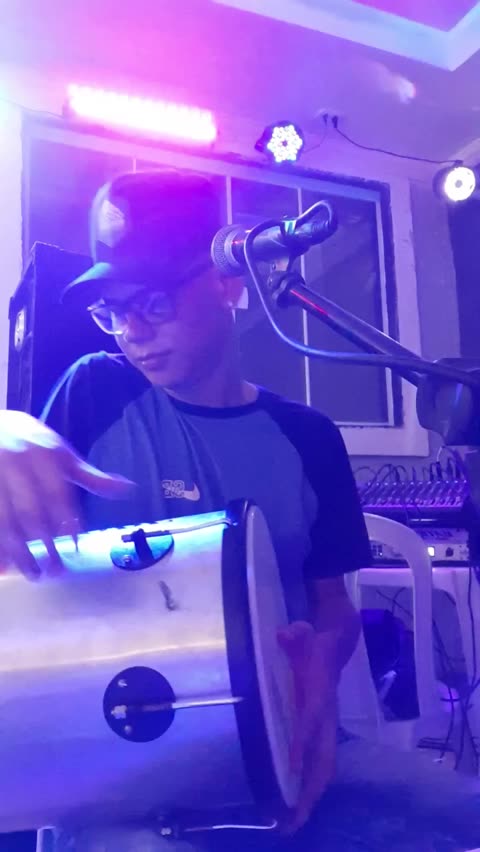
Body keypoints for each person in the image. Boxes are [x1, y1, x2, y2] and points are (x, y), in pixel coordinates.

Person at [0, 170, 478, 852]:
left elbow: (332, 605)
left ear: (228, 282)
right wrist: (9, 431)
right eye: (113, 310)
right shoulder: (95, 392)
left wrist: (321, 667)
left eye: (155, 302)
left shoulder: (309, 437)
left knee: (459, 814)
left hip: (283, 742)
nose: (133, 331)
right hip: (130, 758)